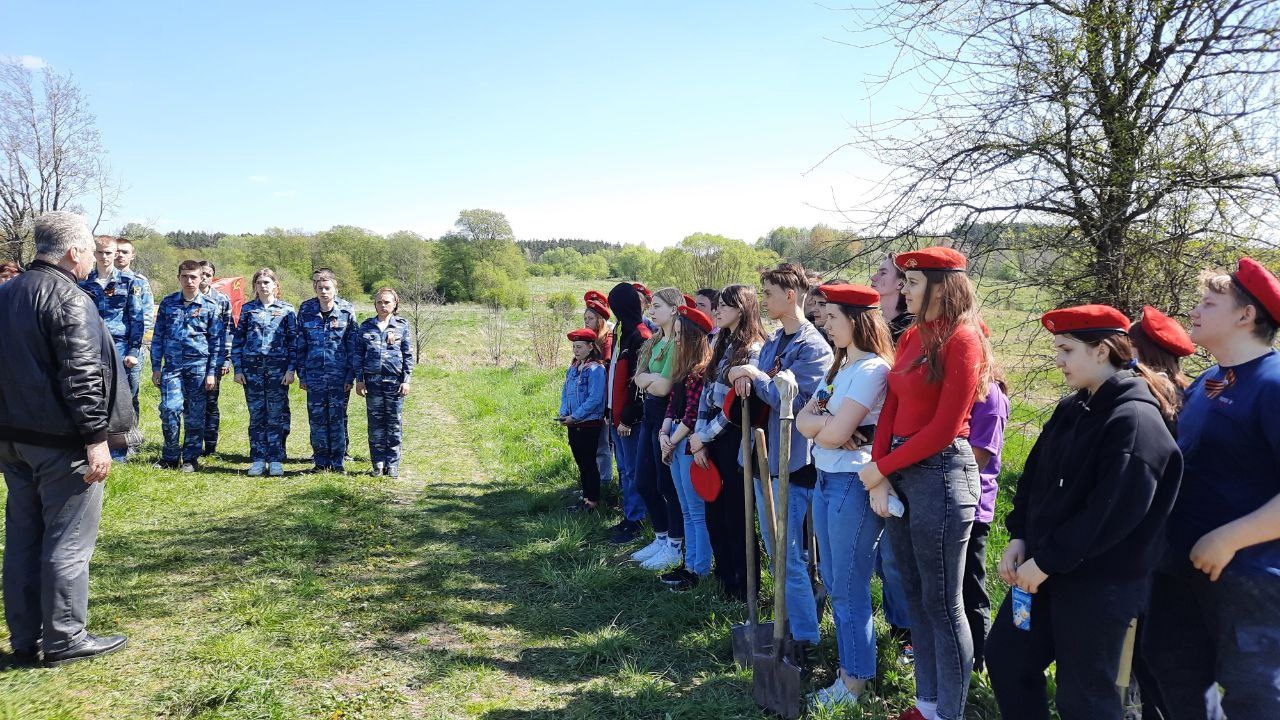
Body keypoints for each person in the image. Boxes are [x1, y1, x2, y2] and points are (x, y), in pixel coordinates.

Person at [986, 304, 1182, 720]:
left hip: (1099, 586)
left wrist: (1048, 561)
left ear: (1101, 350)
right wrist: (1019, 535)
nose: (1058, 360)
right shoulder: (1073, 408)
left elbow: (1110, 515)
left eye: (1067, 350)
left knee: (1088, 698)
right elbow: (1034, 478)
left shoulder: (1133, 419)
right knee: (1007, 659)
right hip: (1042, 573)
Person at [1143, 258, 1280, 720]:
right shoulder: (1207, 382)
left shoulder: (1274, 384)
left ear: (1246, 316)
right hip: (1180, 568)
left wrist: (1229, 538)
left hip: (1251, 575)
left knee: (1254, 696)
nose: (1194, 310)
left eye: (1208, 302)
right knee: (1175, 676)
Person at [859, 247, 990, 720]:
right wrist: (880, 472)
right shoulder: (914, 334)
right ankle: (926, 705)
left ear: (942, 286)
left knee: (942, 602)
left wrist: (882, 467)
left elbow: (943, 427)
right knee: (913, 594)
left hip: (941, 474)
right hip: (900, 471)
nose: (904, 290)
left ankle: (948, 713)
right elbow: (892, 403)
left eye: (913, 283)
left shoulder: (963, 339)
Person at [0, 211, 130, 666]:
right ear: (73, 252)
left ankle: (24, 638)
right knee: (68, 539)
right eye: (92, 251)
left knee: (23, 536)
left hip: (13, 441)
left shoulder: (6, 293)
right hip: (59, 444)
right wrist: (97, 440)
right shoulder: (67, 297)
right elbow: (82, 375)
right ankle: (64, 637)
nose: (96, 260)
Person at [796, 284, 894, 709]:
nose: (825, 322)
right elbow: (803, 422)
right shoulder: (838, 367)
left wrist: (828, 424)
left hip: (852, 485)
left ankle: (854, 682)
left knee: (849, 587)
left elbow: (831, 432)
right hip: (824, 478)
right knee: (835, 581)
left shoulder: (872, 369)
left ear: (857, 319)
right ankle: (849, 664)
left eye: (832, 316)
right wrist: (828, 425)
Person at [728, 262, 833, 653]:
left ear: (791, 295)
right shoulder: (773, 341)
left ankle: (805, 638)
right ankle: (787, 624)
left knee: (786, 555)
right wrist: (743, 376)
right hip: (762, 456)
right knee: (777, 552)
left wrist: (754, 376)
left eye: (770, 293)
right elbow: (751, 380)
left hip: (792, 464)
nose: (765, 300)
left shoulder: (814, 349)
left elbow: (793, 405)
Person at [1126, 304, 1194, 720]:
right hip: (1173, 537)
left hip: (1144, 539)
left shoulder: (1143, 395)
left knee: (1136, 645)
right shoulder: (1187, 394)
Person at [691, 284, 765, 601]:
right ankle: (723, 579)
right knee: (715, 513)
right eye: (718, 305)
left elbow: (735, 408)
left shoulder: (754, 350)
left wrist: (703, 435)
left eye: (724, 305)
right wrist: (698, 436)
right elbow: (707, 396)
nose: (717, 310)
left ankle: (744, 586)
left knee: (737, 516)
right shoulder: (722, 345)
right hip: (710, 438)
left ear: (742, 309)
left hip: (737, 439)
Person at [869, 252, 916, 648]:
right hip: (868, 436)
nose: (874, 276)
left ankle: (907, 633)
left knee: (896, 551)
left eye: (882, 272)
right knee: (884, 552)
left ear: (901, 283)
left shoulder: (909, 330)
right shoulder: (873, 325)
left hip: (901, 444)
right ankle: (896, 624)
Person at [963, 322, 1010, 673]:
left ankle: (980, 661)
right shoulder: (964, 390)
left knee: (971, 590)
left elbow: (979, 456)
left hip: (973, 507)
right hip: (952, 501)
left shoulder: (990, 396)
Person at [629, 288, 687, 571]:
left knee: (667, 484)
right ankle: (661, 536)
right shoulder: (652, 343)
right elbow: (637, 377)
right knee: (644, 481)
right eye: (651, 306)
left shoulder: (678, 344)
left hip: (666, 413)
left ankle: (675, 544)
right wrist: (650, 379)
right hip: (649, 412)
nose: (651, 310)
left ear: (675, 309)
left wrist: (649, 380)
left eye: (658, 306)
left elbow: (664, 386)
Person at [660, 304, 715, 591]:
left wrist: (672, 439)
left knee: (695, 510)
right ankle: (689, 563)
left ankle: (699, 569)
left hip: (688, 445)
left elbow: (693, 413)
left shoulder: (702, 369)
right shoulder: (682, 367)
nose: (676, 338)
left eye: (681, 334)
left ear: (694, 337)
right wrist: (663, 433)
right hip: (675, 440)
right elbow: (673, 404)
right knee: (684, 508)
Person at [151, 261, 224, 472]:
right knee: (169, 410)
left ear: (202, 278)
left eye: (194, 277)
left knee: (195, 414)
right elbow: (158, 337)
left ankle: (191, 458)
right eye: (185, 277)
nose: (189, 281)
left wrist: (212, 373)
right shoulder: (168, 303)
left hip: (198, 368)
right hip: (172, 367)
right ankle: (170, 456)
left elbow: (216, 342)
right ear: (179, 278)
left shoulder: (211, 306)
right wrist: (156, 366)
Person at [79, 236, 146, 460]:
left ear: (116, 253)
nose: (106, 257)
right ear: (94, 253)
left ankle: (120, 448)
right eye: (100, 252)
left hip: (120, 345)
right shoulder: (83, 281)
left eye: (110, 252)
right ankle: (92, 444)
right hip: (90, 344)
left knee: (119, 398)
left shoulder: (130, 281)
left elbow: (137, 319)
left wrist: (133, 351)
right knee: (92, 394)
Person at [232, 268, 297, 477]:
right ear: (254, 286)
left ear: (275, 286)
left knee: (276, 415)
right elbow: (238, 341)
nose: (263, 286)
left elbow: (294, 342)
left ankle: (276, 459)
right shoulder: (248, 309)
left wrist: (291, 369)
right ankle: (258, 458)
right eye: (259, 282)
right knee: (257, 416)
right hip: (252, 371)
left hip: (278, 371)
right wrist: (238, 369)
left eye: (267, 282)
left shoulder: (287, 310)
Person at [296, 269, 358, 473]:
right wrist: (302, 375)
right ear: (315, 289)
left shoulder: (347, 310)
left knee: (337, 419)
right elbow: (300, 345)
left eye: (327, 288)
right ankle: (321, 462)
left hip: (339, 376)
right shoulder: (306, 310)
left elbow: (353, 346)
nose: (324, 291)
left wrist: (351, 375)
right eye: (320, 288)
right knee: (317, 420)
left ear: (335, 289)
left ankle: (338, 462)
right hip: (314, 376)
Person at [605, 282, 652, 544]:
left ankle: (637, 520)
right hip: (615, 414)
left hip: (629, 419)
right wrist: (608, 410)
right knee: (623, 469)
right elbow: (614, 376)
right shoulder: (622, 332)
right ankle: (629, 515)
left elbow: (638, 383)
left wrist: (628, 417)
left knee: (634, 470)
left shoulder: (640, 335)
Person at [356, 288, 414, 478]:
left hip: (394, 383)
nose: (383, 305)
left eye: (387, 302)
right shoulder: (366, 326)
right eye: (379, 302)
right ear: (375, 304)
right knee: (375, 425)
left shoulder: (402, 326)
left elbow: (408, 356)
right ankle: (378, 463)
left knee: (394, 424)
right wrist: (360, 380)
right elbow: (358, 355)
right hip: (372, 383)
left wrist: (406, 380)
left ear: (395, 304)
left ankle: (393, 463)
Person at [558, 328, 607, 511]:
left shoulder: (596, 369)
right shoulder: (572, 368)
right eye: (574, 347)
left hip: (588, 423)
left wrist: (576, 416)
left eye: (579, 347)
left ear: (590, 347)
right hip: (573, 421)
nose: (576, 351)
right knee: (581, 462)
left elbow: (595, 398)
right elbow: (565, 392)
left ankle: (592, 501)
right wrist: (564, 413)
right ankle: (585, 497)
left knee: (588, 462)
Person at [112, 237, 155, 426]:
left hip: (131, 348)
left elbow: (145, 316)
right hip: (104, 347)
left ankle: (130, 438)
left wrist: (134, 347)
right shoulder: (95, 279)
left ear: (132, 256)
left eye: (125, 252)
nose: (120, 255)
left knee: (130, 394)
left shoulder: (139, 282)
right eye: (117, 251)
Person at [199, 260, 234, 457]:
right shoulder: (185, 298)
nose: (204, 277)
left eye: (208, 274)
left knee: (211, 403)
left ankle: (210, 446)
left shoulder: (222, 299)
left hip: (216, 358)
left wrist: (226, 359)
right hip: (190, 358)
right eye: (201, 273)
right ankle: (192, 443)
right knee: (192, 404)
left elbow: (229, 330)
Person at [583, 293, 614, 490]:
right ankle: (590, 482)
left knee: (603, 443)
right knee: (589, 443)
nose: (587, 322)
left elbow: (608, 367)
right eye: (585, 319)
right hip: (586, 398)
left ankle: (605, 484)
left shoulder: (606, 340)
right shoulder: (586, 339)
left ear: (600, 320)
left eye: (591, 319)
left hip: (603, 397)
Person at [872, 253, 915, 343]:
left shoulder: (909, 327)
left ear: (900, 284)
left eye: (883, 273)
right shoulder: (873, 322)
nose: (873, 278)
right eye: (877, 273)